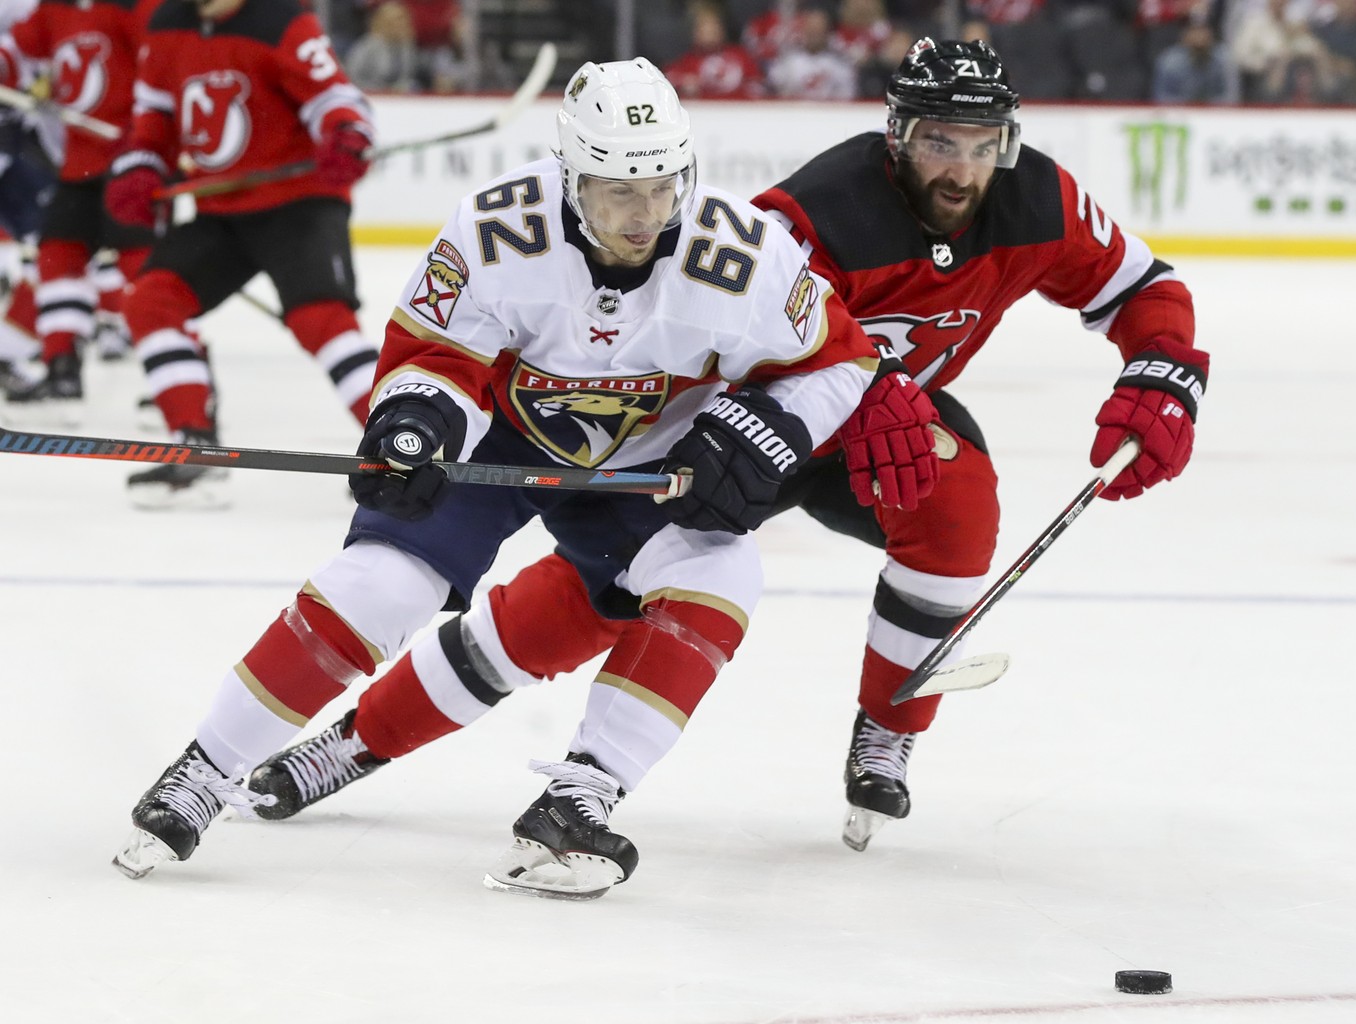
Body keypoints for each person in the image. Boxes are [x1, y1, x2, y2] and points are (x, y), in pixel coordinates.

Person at [242, 38, 1209, 855]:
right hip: (734, 427)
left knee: (960, 503)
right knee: (598, 606)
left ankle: (888, 728)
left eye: (981, 143)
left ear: (1009, 143)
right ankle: (360, 740)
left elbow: (1140, 285)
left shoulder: (1040, 199)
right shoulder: (821, 207)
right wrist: (852, 385)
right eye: (935, 141)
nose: (959, 167)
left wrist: (1164, 368)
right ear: (895, 134)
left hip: (875, 429)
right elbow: (781, 333)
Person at [112, 57, 884, 898]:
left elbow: (838, 361)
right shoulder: (497, 230)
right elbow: (434, 352)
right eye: (617, 192)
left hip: (645, 466)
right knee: (382, 583)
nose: (645, 215)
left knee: (723, 572)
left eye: (663, 187)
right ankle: (205, 770)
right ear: (568, 176)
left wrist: (767, 427)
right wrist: (418, 413)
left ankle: (577, 801)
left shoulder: (741, 255)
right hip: (497, 443)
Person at [102, 0, 379, 509]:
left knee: (321, 322)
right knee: (150, 300)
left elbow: (335, 98)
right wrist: (139, 167)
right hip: (222, 210)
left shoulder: (282, 20)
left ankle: (406, 448)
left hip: (299, 202)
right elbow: (155, 119)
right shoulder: (167, 24)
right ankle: (196, 445)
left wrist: (347, 134)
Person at [0, 0, 157, 422]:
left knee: (144, 270)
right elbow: (18, 49)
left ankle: (181, 382)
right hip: (80, 162)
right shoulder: (54, 7)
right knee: (57, 254)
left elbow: (166, 64)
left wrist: (153, 129)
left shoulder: (135, 6)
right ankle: (61, 368)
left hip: (133, 161)